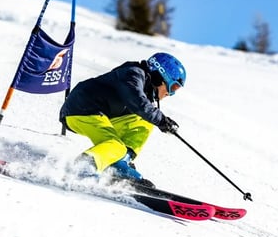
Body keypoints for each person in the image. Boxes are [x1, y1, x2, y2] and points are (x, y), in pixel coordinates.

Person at [59, 52, 186, 186]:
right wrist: (161, 120)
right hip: (81, 109)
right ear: (160, 76)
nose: (170, 94)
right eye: (173, 87)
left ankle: (118, 164)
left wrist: (159, 120)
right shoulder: (133, 74)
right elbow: (137, 101)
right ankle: (85, 166)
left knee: (144, 122)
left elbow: (143, 107)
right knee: (115, 145)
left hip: (100, 113)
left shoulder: (143, 84)